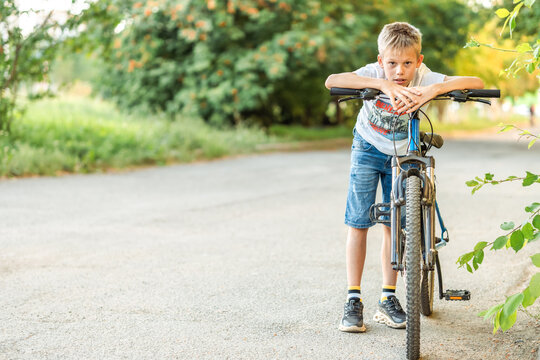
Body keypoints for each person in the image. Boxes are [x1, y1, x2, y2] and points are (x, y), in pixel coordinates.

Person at [324, 22, 484, 333]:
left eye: (408, 63)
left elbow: (476, 80)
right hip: (368, 147)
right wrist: (382, 85)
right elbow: (332, 81)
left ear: (418, 61)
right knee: (358, 222)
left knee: (393, 225)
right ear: (381, 60)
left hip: (402, 154)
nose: (400, 71)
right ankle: (353, 300)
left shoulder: (424, 77)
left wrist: (434, 89)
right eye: (392, 63)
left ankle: (387, 298)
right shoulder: (374, 71)